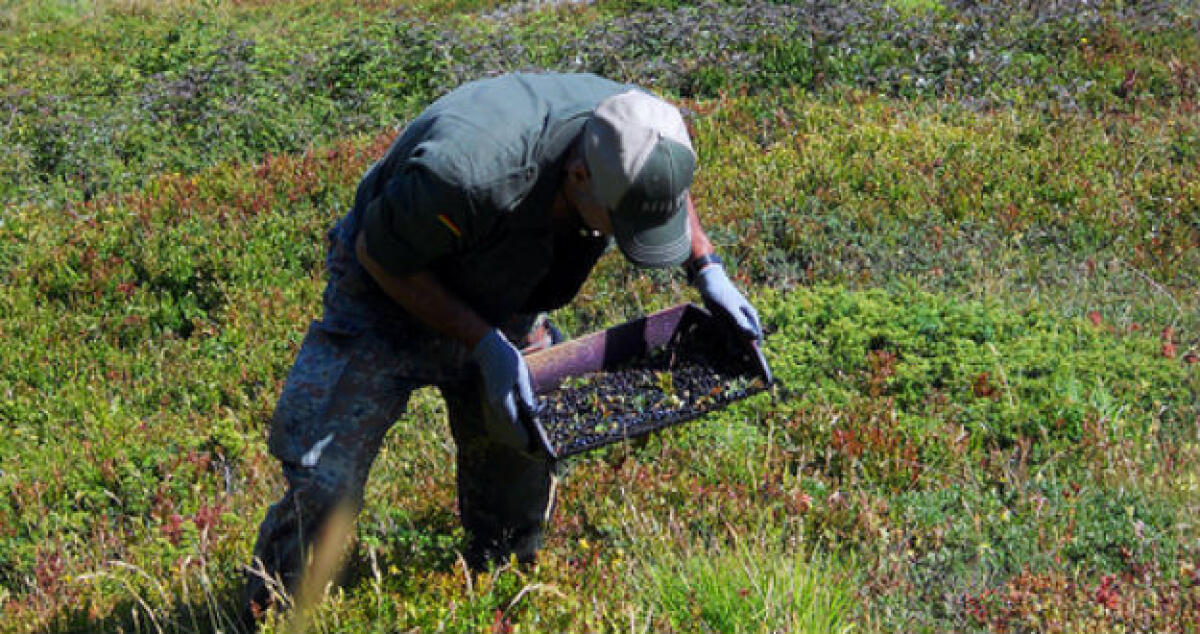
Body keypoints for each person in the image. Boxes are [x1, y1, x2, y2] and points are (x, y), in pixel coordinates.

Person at [241, 71, 761, 618]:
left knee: (519, 446)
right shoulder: (467, 171)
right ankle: (269, 610)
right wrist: (484, 345)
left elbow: (660, 190)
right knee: (326, 479)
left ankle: (500, 595)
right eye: (620, 223)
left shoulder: (643, 129)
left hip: (509, 290)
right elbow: (379, 254)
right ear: (579, 175)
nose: (625, 238)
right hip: (388, 293)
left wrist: (706, 267)